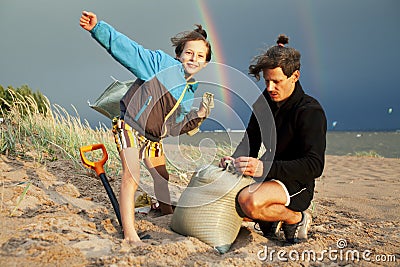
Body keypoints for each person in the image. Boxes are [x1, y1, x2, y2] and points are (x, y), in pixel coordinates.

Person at [80, 11, 213, 244]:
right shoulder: (160, 64)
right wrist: (98, 28)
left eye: (200, 55)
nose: (194, 58)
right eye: (189, 53)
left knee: (162, 177)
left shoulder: (189, 91)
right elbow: (130, 50)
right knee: (131, 175)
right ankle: (130, 234)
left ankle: (167, 215)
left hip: (153, 137)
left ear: (206, 62)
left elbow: (174, 126)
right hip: (130, 125)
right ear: (179, 55)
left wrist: (199, 115)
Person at [219, 34, 327, 244]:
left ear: (295, 76)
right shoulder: (263, 102)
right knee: (224, 200)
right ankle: (270, 218)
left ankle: (296, 218)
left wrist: (264, 168)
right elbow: (250, 141)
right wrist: (233, 160)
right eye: (267, 81)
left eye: (276, 81)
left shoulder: (310, 111)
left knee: (248, 201)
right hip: (268, 174)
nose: (270, 88)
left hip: (297, 183)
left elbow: (315, 165)